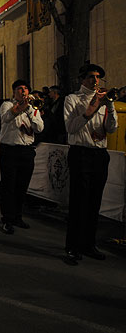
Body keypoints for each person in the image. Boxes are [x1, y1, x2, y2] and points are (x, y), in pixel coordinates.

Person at [63, 64, 118, 265]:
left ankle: (89, 244)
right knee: (79, 201)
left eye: (97, 77)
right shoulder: (72, 99)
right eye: (91, 77)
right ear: (82, 79)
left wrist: (109, 106)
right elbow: (70, 127)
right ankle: (73, 246)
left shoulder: (104, 102)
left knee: (94, 201)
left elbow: (111, 129)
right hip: (81, 153)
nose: (95, 81)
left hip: (99, 154)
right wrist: (89, 111)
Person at [0, 79, 44, 234]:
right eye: (19, 88)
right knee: (8, 186)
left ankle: (17, 216)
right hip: (9, 150)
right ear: (14, 91)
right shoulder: (7, 105)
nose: (23, 91)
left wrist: (30, 110)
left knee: (22, 186)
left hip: (26, 151)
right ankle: (7, 219)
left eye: (25, 89)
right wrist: (20, 108)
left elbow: (39, 128)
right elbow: (6, 118)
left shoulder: (33, 109)